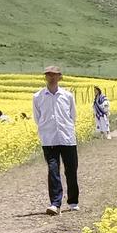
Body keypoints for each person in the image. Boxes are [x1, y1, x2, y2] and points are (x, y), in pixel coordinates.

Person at [31, 65, 79, 216]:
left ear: (60, 77)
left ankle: (73, 202)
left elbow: (73, 116)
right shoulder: (37, 97)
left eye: (54, 74)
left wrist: (67, 128)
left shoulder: (68, 96)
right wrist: (46, 129)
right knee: (53, 171)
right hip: (49, 139)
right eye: (48, 75)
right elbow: (37, 118)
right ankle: (55, 204)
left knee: (71, 170)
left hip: (67, 138)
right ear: (45, 77)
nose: (51, 77)